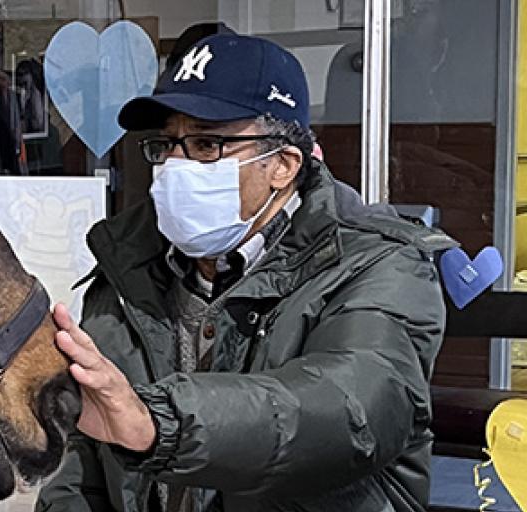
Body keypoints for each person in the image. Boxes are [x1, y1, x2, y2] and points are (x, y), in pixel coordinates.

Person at [36, 33, 457, 512]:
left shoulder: (377, 264)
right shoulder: (126, 270)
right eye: (166, 145)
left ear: (283, 164)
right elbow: (83, 466)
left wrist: (158, 423)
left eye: (206, 144)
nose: (175, 165)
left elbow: (350, 408)